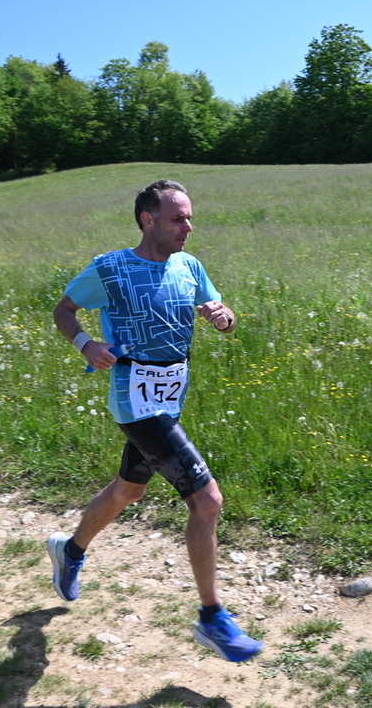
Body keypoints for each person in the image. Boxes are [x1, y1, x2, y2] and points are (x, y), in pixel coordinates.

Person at [46, 179, 263, 663]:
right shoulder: (110, 268)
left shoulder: (189, 266)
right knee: (207, 500)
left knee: (128, 490)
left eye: (189, 218)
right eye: (177, 218)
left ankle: (70, 551)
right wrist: (86, 345)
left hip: (170, 396)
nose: (188, 226)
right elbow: (64, 309)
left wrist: (224, 319)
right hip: (134, 399)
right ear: (148, 220)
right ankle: (212, 619)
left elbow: (223, 317)